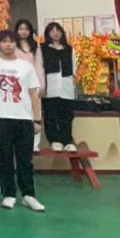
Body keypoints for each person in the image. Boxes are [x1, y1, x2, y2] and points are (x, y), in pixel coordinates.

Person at [0, 30, 46, 212]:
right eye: (4, 41)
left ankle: (29, 195)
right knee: (4, 158)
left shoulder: (26, 66)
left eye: (11, 41)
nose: (8, 44)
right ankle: (9, 194)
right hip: (1, 118)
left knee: (25, 159)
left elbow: (34, 94)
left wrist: (37, 119)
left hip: (24, 118)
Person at [39, 22, 78, 152]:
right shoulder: (43, 48)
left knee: (66, 116)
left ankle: (67, 140)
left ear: (62, 32)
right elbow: (40, 67)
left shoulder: (69, 49)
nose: (55, 33)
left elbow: (74, 68)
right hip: (50, 87)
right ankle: (54, 140)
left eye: (58, 30)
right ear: (47, 34)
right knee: (51, 115)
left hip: (66, 87)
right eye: (52, 31)